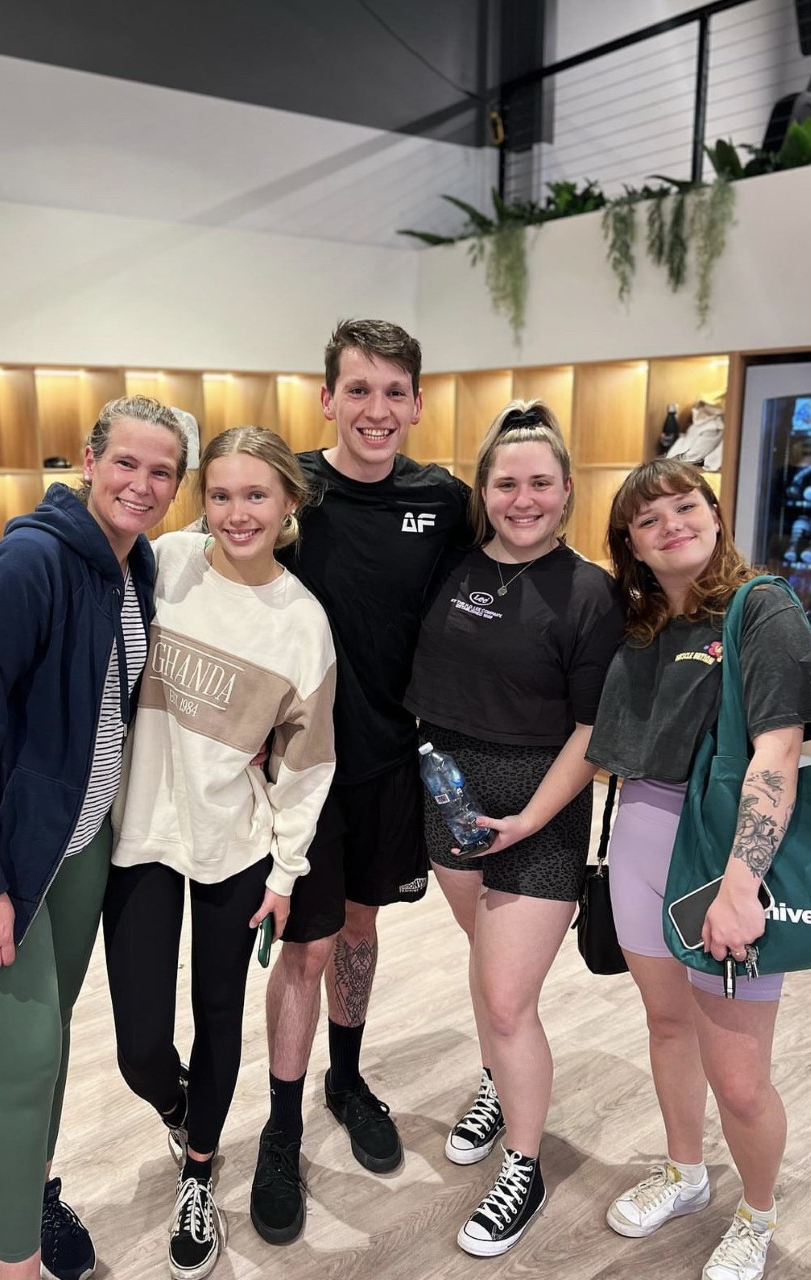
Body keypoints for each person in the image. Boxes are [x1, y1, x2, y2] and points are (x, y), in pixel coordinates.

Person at [0, 396, 188, 1280]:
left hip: (77, 846)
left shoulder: (130, 568)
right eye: (127, 463)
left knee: (51, 1042)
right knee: (25, 1062)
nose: (141, 484)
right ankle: (13, 1267)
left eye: (162, 471)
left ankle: (34, 1191)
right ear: (89, 460)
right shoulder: (27, 564)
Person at [586, 459, 811, 1280]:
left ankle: (756, 1214)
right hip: (639, 841)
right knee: (667, 1027)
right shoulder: (639, 627)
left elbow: (778, 751)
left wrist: (741, 886)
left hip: (722, 860)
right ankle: (686, 1172)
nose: (673, 525)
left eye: (686, 506)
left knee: (738, 1076)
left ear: (714, 512)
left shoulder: (760, 608)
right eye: (650, 518)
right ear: (629, 543)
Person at [248, 318, 471, 1245]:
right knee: (303, 945)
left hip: (390, 764)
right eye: (358, 390)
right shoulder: (291, 490)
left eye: (394, 392)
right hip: (299, 772)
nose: (376, 410)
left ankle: (347, 1076)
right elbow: (209, 566)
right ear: (327, 398)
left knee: (359, 930)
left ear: (417, 404)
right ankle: (281, 1122)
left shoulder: (446, 501)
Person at [103, 426, 336, 1280]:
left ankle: (200, 1172)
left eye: (257, 496)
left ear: (289, 504)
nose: (237, 514)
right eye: (223, 494)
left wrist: (285, 873)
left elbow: (309, 766)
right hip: (143, 840)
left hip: (235, 849)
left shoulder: (302, 624)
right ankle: (179, 1112)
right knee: (138, 1046)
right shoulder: (166, 560)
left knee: (218, 1022)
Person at [404, 400, 624, 1257]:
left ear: (567, 492)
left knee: (506, 995)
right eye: (505, 482)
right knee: (488, 967)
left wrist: (530, 816)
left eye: (540, 483)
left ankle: (523, 1166)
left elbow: (593, 729)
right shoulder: (454, 568)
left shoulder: (588, 592)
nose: (521, 498)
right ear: (483, 489)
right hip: (450, 794)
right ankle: (498, 1081)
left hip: (539, 808)